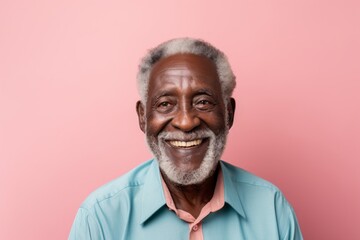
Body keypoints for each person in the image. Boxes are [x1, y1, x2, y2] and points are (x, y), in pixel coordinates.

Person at [69, 38, 303, 240]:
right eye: (165, 104)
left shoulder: (272, 208)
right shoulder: (100, 217)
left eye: (203, 102)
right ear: (143, 117)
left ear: (228, 113)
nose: (186, 121)